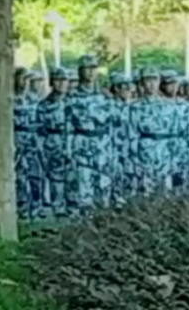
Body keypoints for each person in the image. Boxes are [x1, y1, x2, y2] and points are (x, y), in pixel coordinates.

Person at [66, 54, 114, 214]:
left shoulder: (105, 96)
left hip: (102, 144)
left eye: (94, 68)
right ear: (80, 72)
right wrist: (69, 149)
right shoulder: (72, 96)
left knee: (104, 184)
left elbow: (112, 123)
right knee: (84, 184)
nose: (91, 72)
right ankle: (85, 222)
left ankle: (104, 223)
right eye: (87, 69)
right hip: (82, 143)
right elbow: (68, 125)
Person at [129, 67, 174, 197]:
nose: (152, 84)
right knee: (145, 192)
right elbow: (132, 135)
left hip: (164, 153)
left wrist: (175, 158)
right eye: (148, 80)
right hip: (145, 153)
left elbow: (173, 133)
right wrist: (134, 160)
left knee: (165, 193)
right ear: (142, 83)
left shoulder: (169, 106)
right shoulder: (135, 107)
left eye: (155, 79)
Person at [36, 67, 72, 218]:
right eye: (58, 80)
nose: (61, 84)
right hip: (53, 142)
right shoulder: (44, 105)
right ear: (51, 82)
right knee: (56, 178)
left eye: (64, 80)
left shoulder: (73, 102)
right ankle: (58, 209)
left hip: (73, 142)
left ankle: (73, 209)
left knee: (73, 177)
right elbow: (40, 131)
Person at [13, 67, 43, 219]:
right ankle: (22, 208)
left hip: (33, 142)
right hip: (17, 141)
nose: (24, 83)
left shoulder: (34, 99)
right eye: (22, 78)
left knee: (36, 175)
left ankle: (37, 208)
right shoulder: (8, 99)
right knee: (19, 177)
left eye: (27, 79)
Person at [109, 73, 134, 206]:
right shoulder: (109, 107)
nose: (129, 90)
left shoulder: (132, 107)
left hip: (129, 147)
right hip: (113, 147)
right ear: (116, 89)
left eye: (130, 87)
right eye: (125, 87)